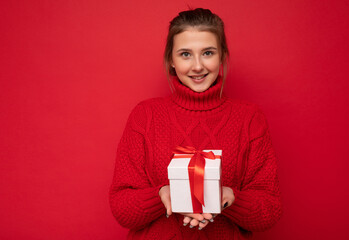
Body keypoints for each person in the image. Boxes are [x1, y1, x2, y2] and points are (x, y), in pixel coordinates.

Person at [109, 8, 282, 240]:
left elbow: (269, 210)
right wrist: (162, 196)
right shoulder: (145, 116)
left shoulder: (249, 118)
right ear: (171, 59)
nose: (198, 66)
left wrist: (228, 197)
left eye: (208, 53)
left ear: (222, 55)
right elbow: (122, 208)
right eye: (185, 54)